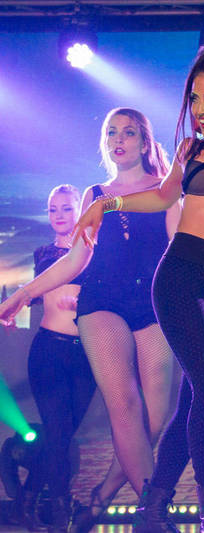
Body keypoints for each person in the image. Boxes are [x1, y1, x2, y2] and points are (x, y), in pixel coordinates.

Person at [72, 45, 204, 533]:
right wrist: (107, 204)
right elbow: (162, 196)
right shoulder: (190, 150)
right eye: (194, 99)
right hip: (181, 277)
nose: (200, 110)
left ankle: (153, 508)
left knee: (198, 398)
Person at [1, 106, 181, 533]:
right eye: (111, 133)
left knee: (155, 421)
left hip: (152, 303)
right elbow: (76, 259)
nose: (119, 139)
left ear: (144, 141)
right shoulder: (95, 194)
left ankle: (103, 497)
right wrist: (24, 293)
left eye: (129, 132)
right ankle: (156, 517)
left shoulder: (167, 191)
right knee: (125, 405)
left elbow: (178, 254)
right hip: (103, 302)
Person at [0, 185, 95, 533]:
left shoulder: (95, 252)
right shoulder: (43, 252)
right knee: (57, 434)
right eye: (53, 209)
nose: (59, 215)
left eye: (67, 208)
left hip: (87, 354)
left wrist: (85, 302)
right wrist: (13, 309)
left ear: (80, 210)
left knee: (61, 438)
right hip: (49, 352)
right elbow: (38, 293)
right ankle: (59, 514)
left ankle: (25, 503)